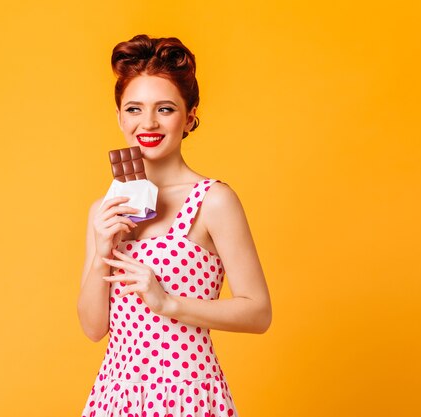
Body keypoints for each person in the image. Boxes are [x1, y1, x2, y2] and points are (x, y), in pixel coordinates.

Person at [78, 34, 272, 417]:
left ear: (190, 116)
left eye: (164, 109)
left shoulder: (213, 200)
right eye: (134, 109)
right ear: (119, 116)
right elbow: (92, 328)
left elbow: (258, 312)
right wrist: (103, 253)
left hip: (187, 394)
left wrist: (167, 302)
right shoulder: (105, 209)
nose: (147, 122)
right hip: (114, 396)